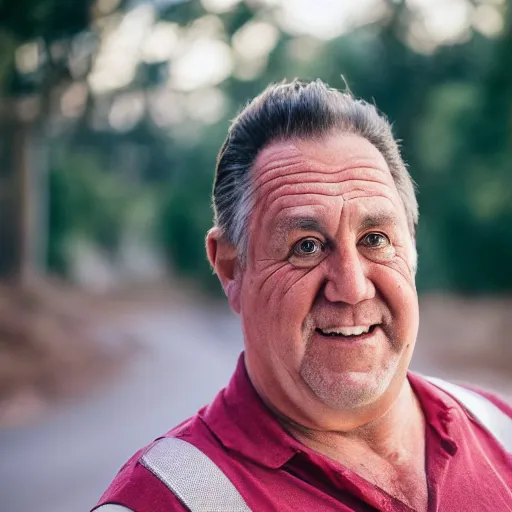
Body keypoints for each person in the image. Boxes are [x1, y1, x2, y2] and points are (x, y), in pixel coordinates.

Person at [92, 79, 512, 512]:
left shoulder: (501, 432)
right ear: (231, 268)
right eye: (306, 246)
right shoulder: (163, 502)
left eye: (374, 239)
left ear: (412, 247)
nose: (351, 288)